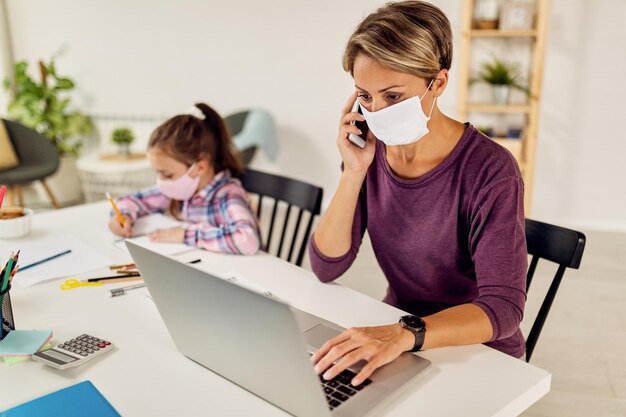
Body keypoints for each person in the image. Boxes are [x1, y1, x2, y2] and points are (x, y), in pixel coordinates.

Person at [309, 1, 527, 387]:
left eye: (392, 96)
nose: (376, 111)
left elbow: (503, 308)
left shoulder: (491, 170)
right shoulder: (369, 151)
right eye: (365, 96)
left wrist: (404, 334)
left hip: (476, 350)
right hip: (399, 336)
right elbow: (327, 266)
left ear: (437, 83)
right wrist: (354, 172)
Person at [108, 103, 261, 255]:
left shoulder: (227, 194)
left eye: (167, 174)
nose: (160, 180)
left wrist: (184, 234)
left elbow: (247, 240)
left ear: (200, 167)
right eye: (158, 173)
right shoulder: (180, 190)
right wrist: (123, 216)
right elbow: (134, 200)